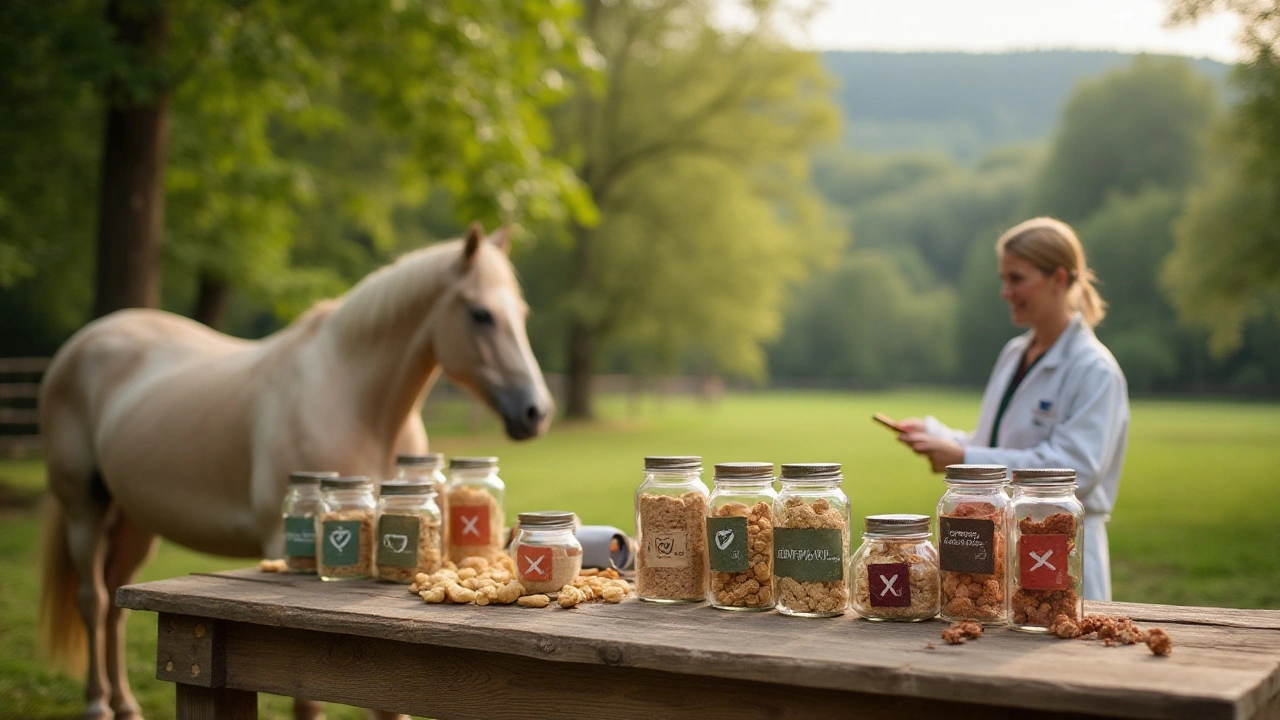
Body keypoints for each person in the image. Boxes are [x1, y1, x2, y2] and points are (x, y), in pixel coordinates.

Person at [897, 217, 1129, 601]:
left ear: (1058, 278)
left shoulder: (1094, 369)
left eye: (1017, 279)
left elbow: (1077, 470)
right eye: (1003, 279)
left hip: (1062, 551)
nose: (1005, 292)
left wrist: (966, 457)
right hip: (1000, 546)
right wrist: (936, 435)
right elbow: (991, 440)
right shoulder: (1014, 354)